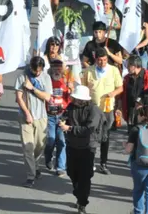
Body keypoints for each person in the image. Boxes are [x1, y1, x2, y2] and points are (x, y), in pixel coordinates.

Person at [82, 48, 123, 175]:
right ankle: (90, 162)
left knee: (105, 136)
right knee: (92, 136)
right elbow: (83, 89)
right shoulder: (88, 71)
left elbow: (120, 87)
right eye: (100, 60)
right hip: (93, 109)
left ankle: (103, 163)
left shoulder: (114, 70)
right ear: (95, 59)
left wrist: (113, 93)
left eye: (105, 60)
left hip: (107, 109)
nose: (102, 63)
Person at [62, 85, 101, 214]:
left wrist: (70, 128)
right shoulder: (71, 106)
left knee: (85, 177)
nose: (77, 101)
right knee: (71, 172)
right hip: (72, 145)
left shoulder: (94, 110)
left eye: (79, 99)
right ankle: (78, 194)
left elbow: (89, 129)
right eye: (76, 98)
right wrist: (62, 120)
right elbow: (64, 117)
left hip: (88, 147)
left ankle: (82, 203)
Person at [15, 56, 53, 187]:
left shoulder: (46, 77)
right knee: (28, 147)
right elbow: (19, 98)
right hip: (25, 117)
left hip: (41, 116)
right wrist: (27, 113)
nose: (37, 73)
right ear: (30, 67)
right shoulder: (22, 77)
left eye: (39, 71)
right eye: (34, 70)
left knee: (39, 145)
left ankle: (36, 166)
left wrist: (32, 88)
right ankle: (30, 176)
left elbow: (47, 97)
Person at [125, 104, 148, 214]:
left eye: (138, 114)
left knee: (138, 190)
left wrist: (124, 145)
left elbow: (128, 149)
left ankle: (138, 211)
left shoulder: (136, 129)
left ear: (142, 116)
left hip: (140, 165)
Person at [45, 59, 70, 176]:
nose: (57, 71)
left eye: (59, 69)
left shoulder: (66, 81)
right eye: (55, 68)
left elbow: (70, 99)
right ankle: (48, 157)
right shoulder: (46, 80)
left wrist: (71, 90)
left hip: (62, 116)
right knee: (50, 140)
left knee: (61, 141)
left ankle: (60, 167)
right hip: (49, 115)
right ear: (50, 69)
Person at [122, 54, 148, 130]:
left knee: (143, 134)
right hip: (131, 111)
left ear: (134, 66)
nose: (127, 68)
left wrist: (143, 104)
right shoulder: (127, 77)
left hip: (143, 112)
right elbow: (124, 94)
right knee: (131, 133)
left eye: (128, 65)